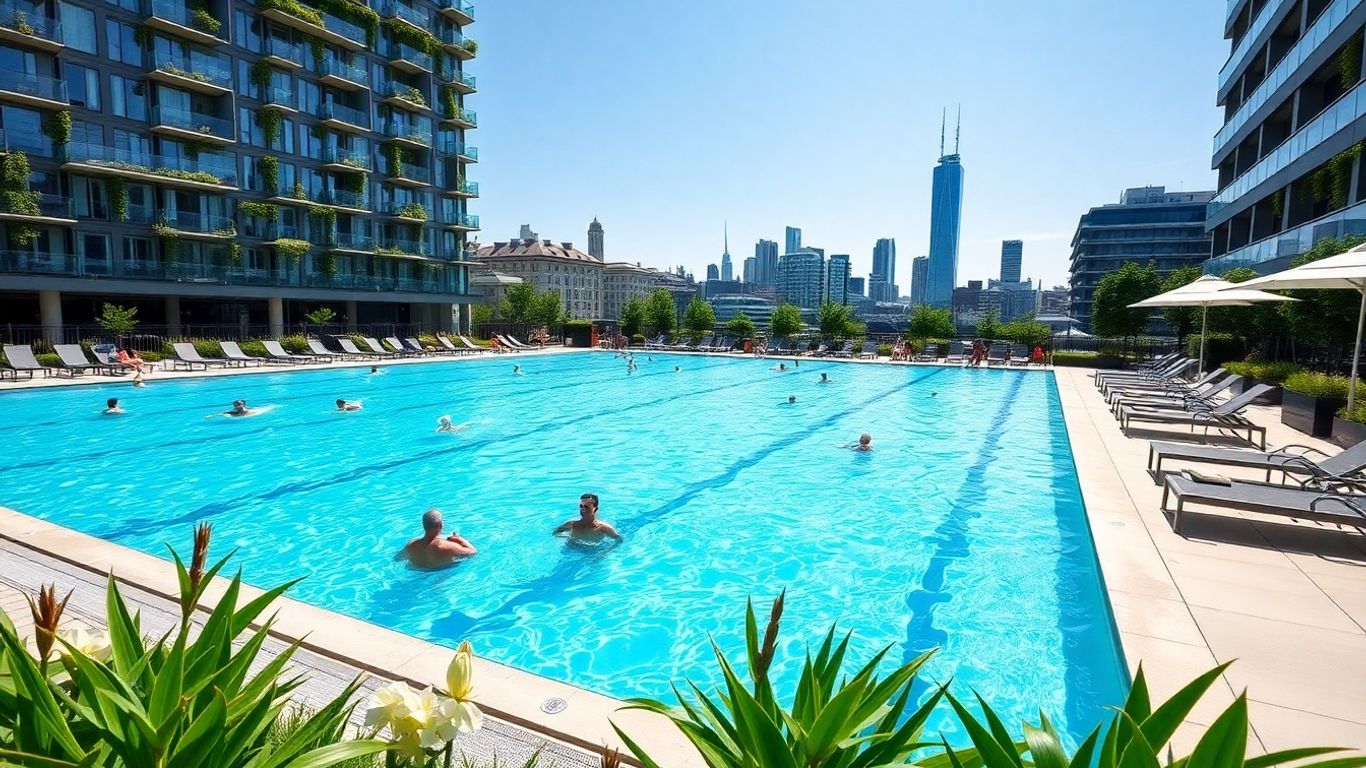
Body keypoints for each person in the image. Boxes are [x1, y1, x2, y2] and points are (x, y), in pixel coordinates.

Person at [401, 508, 476, 569]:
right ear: (439, 525)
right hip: (440, 581)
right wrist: (459, 539)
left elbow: (397, 558)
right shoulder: (442, 545)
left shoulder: (411, 545)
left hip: (418, 575)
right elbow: (472, 552)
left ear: (424, 525)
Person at [553, 493, 622, 544]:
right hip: (571, 551)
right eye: (581, 506)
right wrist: (569, 538)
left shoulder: (603, 527)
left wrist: (604, 552)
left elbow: (619, 540)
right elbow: (555, 533)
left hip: (591, 555)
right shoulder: (572, 524)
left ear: (595, 509)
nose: (583, 509)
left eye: (586, 506)